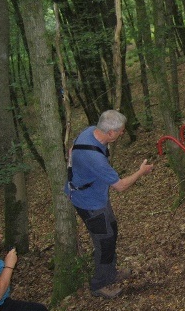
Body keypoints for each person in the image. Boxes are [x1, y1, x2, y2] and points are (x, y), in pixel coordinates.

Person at [65, 110, 153, 299]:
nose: (123, 133)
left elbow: (71, 150)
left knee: (111, 229)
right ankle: (100, 284)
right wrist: (141, 172)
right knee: (104, 242)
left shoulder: (90, 131)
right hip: (89, 203)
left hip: (97, 196)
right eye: (120, 131)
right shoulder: (94, 159)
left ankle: (111, 272)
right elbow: (121, 186)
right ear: (110, 132)